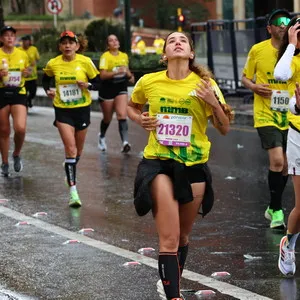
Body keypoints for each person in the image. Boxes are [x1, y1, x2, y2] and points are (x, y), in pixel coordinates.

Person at [127, 31, 232, 300]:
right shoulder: (149, 82)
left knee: (183, 237)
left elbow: (224, 128)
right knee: (170, 238)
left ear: (191, 53)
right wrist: (141, 120)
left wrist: (213, 103)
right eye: (172, 40)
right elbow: (132, 106)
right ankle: (175, 296)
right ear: (164, 54)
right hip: (158, 163)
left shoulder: (205, 85)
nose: (177, 42)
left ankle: (170, 283)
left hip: (194, 166)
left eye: (183, 40)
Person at [242, 8, 292, 229]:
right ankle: (278, 210)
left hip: (292, 114)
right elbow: (245, 77)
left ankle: (273, 207)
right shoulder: (258, 50)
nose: (283, 25)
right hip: (266, 113)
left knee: (286, 166)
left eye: (286, 22)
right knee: (278, 161)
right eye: (278, 22)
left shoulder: (296, 50)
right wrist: (254, 86)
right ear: (269, 28)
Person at [42, 31, 100, 207]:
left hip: (82, 110)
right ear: (60, 46)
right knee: (71, 149)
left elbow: (99, 83)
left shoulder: (85, 62)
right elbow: (45, 80)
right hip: (62, 110)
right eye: (64, 43)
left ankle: (69, 167)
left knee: (78, 152)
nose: (67, 46)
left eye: (70, 42)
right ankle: (73, 192)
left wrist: (88, 85)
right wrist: (48, 91)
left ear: (77, 45)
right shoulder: (53, 63)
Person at [273, 16, 300, 277]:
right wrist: (291, 44)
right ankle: (288, 242)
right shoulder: (292, 61)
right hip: (298, 137)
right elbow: (280, 75)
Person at [0, 26, 30, 177]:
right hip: (1, 93)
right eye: (6, 36)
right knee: (4, 130)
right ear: (1, 39)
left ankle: (16, 154)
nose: (10, 38)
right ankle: (4, 162)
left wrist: (26, 72)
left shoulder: (22, 54)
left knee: (20, 128)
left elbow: (28, 70)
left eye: (12, 35)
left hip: (19, 91)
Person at [98, 34, 134, 153]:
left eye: (116, 39)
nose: (114, 42)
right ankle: (102, 136)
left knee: (122, 115)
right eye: (111, 41)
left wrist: (129, 75)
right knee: (107, 119)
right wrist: (116, 72)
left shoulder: (124, 56)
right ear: (108, 45)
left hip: (121, 87)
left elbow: (129, 74)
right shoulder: (105, 57)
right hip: (107, 89)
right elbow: (102, 75)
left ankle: (125, 142)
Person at [19, 35, 40, 109]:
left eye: (26, 40)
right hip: (23, 77)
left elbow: (37, 59)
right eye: (23, 40)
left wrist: (34, 63)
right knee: (24, 93)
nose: (25, 42)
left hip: (33, 76)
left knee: (33, 93)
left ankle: (29, 99)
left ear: (29, 41)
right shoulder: (19, 50)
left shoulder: (34, 49)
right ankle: (25, 105)